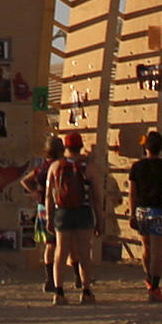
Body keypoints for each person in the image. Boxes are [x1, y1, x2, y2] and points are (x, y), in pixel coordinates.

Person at [42, 131, 100, 305]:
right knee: (84, 252)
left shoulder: (55, 167)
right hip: (83, 211)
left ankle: (59, 292)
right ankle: (86, 291)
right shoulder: (88, 167)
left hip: (62, 212)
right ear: (80, 146)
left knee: (61, 251)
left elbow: (48, 196)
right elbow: (96, 196)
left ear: (65, 147)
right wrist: (99, 220)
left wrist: (50, 218)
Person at [124, 128, 162, 301]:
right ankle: (155, 288)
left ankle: (148, 279)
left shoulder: (137, 166)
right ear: (161, 148)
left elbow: (132, 192)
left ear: (146, 147)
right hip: (160, 210)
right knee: (157, 251)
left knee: (146, 248)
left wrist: (132, 213)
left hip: (141, 210)